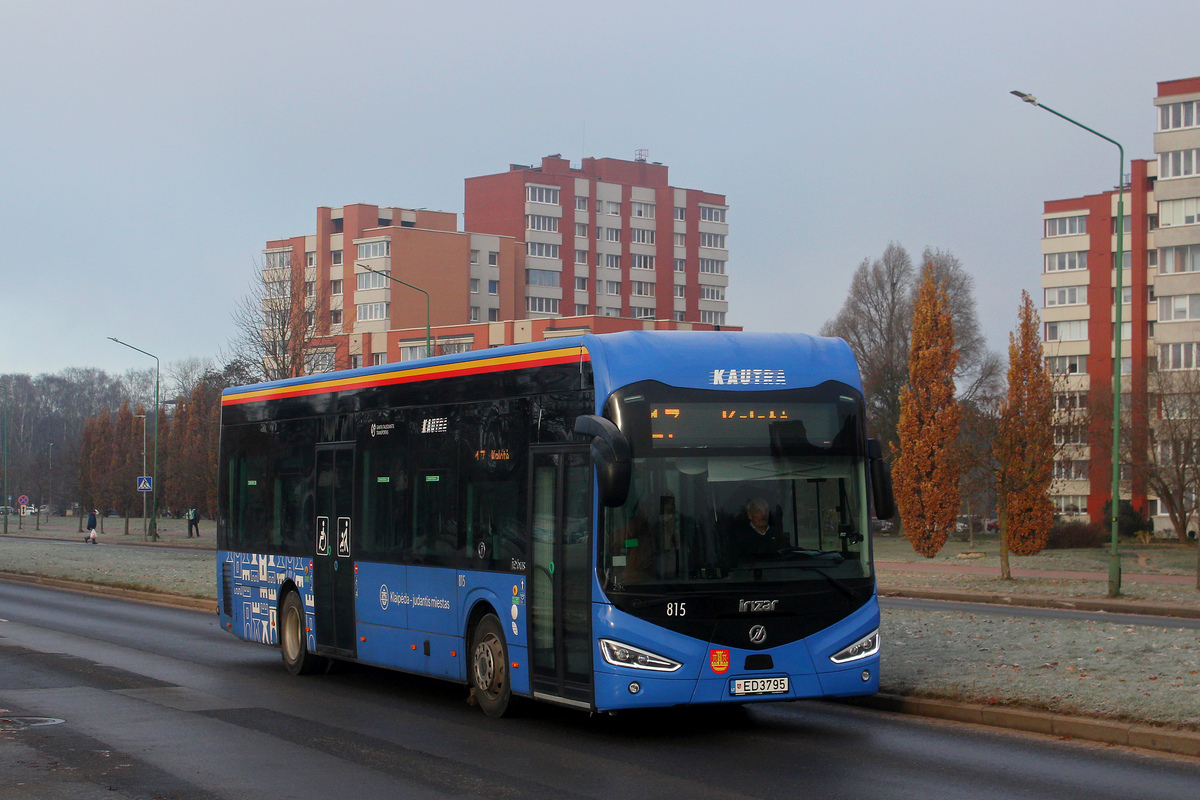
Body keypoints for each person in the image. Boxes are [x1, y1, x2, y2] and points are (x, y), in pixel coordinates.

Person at [729, 497, 787, 562]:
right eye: (759, 511)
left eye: (766, 511)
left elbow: (787, 553)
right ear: (749, 515)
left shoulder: (776, 532)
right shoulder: (740, 537)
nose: (764, 514)